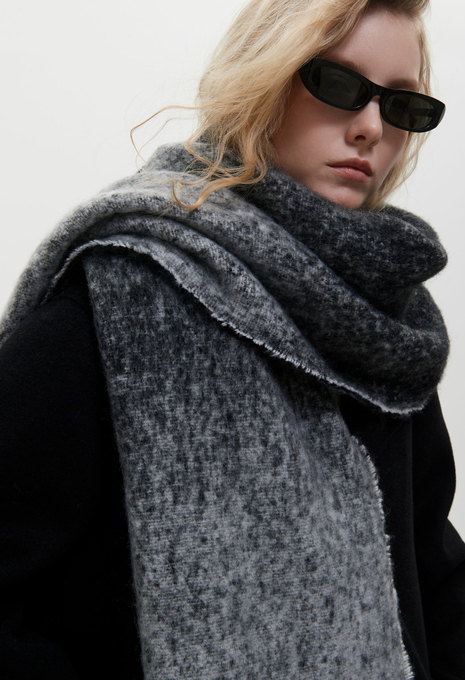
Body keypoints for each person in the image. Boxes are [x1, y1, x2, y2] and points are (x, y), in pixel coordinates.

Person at [0, 0, 463, 678]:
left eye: (402, 106)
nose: (371, 127)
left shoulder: (383, 326)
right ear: (263, 80)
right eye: (339, 84)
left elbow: (433, 578)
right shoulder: (121, 294)